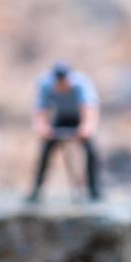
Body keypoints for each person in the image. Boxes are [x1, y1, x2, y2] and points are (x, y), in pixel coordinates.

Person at [27, 62, 102, 202]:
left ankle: (94, 190)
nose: (61, 86)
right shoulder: (46, 85)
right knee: (46, 151)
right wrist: (43, 127)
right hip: (61, 118)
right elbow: (41, 110)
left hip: (78, 118)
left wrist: (86, 127)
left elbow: (89, 108)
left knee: (91, 151)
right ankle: (36, 190)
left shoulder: (81, 85)